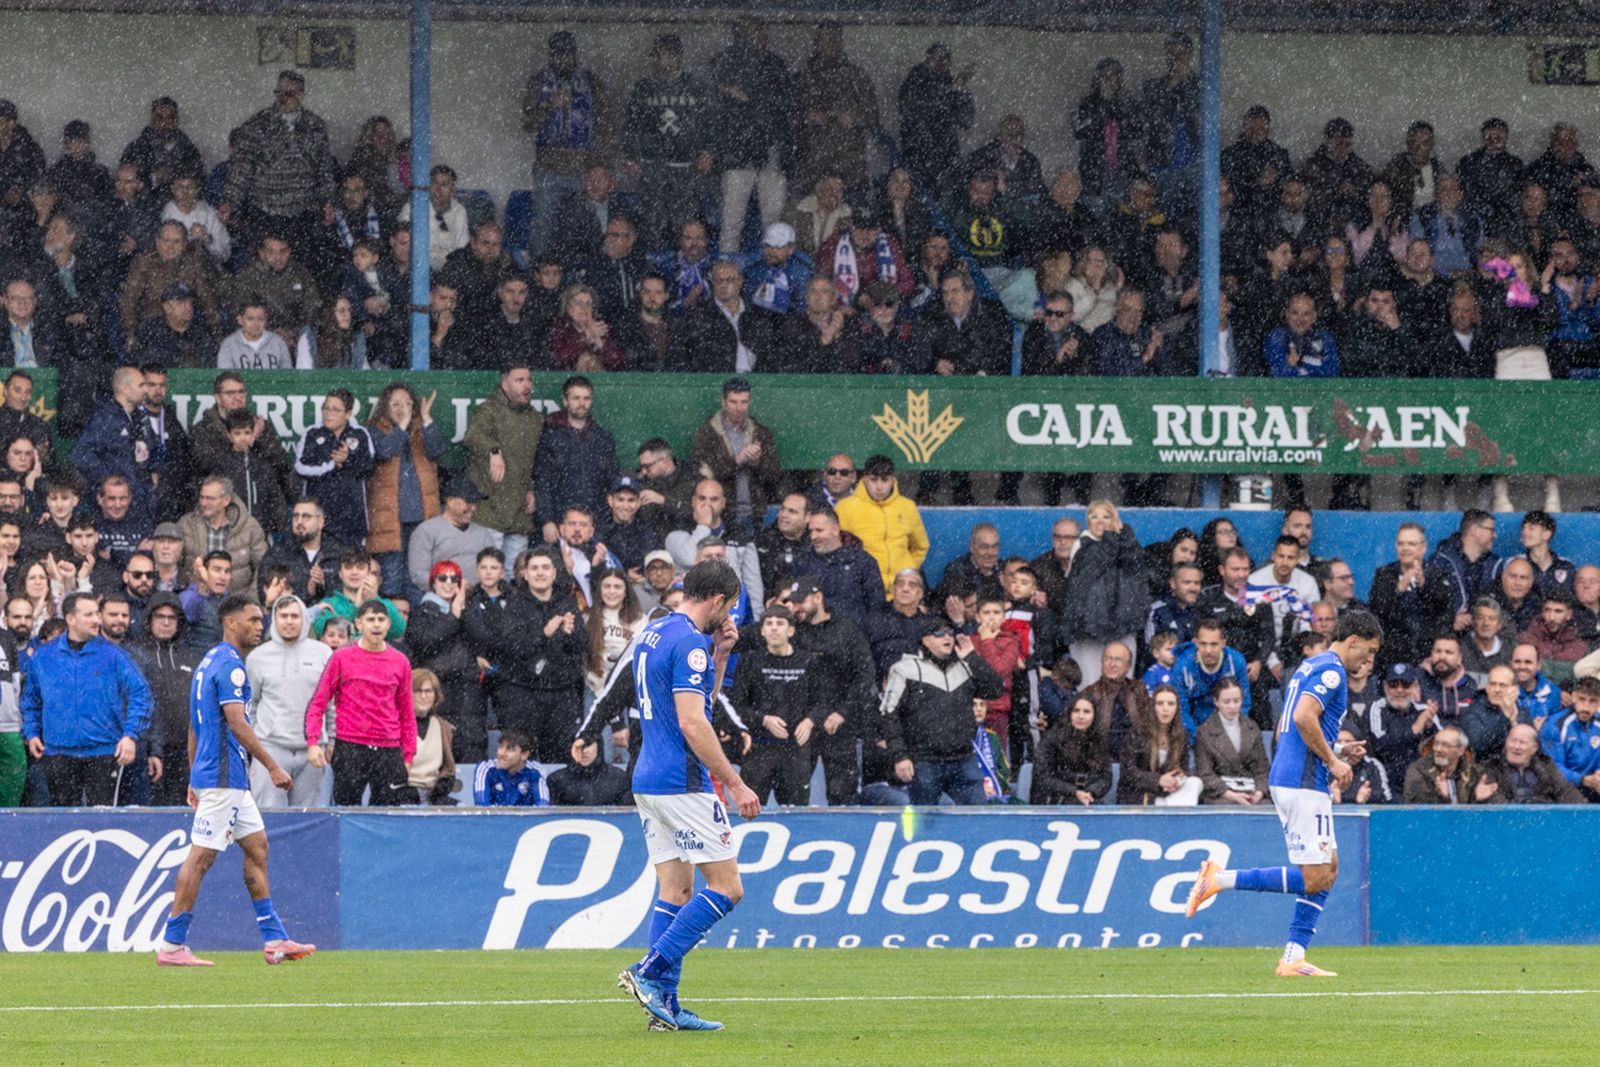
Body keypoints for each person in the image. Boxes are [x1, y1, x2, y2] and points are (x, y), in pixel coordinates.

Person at [1185, 610, 1384, 978]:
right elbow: (1302, 719)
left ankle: (1293, 956)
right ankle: (1218, 879)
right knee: (1315, 877)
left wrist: (1338, 752)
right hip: (1303, 781)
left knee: (1330, 869)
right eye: (1368, 652)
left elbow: (1283, 729)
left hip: (1299, 776)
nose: (1368, 661)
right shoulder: (1332, 671)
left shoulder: (1311, 666)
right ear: (1353, 640)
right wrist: (1332, 760)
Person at [617, 558, 758, 1033]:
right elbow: (693, 721)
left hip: (648, 779)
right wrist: (735, 782)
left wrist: (720, 657)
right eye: (732, 605)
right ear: (717, 600)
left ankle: (666, 1010)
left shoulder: (655, 633)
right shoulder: (689, 644)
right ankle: (650, 972)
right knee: (727, 888)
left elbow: (693, 700)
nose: (731, 615)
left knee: (675, 890)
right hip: (683, 782)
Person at [153, 594, 315, 967]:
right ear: (231, 622)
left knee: (257, 848)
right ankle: (173, 945)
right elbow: (237, 721)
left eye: (261, 621)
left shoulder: (207, 662)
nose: (260, 626)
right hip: (224, 777)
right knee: (201, 858)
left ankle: (274, 939)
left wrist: (194, 775)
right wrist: (273, 765)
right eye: (254, 620)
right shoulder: (232, 668)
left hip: (225, 778)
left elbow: (196, 724)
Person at [20, 591, 153, 806]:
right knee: (63, 828)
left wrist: (130, 735)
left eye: (96, 614)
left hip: (105, 752)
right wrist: (32, 732)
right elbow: (30, 701)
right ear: (70, 619)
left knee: (103, 824)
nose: (96, 620)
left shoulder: (113, 655)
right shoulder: (44, 657)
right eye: (89, 615)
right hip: (57, 753)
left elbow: (143, 694)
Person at [878, 615, 1003, 805]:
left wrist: (972, 657)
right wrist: (900, 756)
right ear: (925, 640)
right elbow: (889, 715)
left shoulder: (965, 667)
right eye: (939, 633)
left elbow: (995, 689)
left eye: (950, 633)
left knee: (977, 819)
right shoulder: (904, 669)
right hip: (924, 761)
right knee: (924, 825)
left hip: (963, 759)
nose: (947, 637)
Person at [304, 599, 415, 806]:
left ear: (388, 624)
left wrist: (408, 755)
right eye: (370, 619)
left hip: (388, 749)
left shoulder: (401, 661)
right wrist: (313, 742)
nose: (376, 624)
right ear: (358, 623)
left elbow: (407, 712)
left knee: (385, 815)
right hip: (350, 746)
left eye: (381, 619)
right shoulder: (341, 657)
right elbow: (318, 702)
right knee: (346, 811)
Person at [245, 593, 332, 808]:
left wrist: (332, 739)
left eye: (295, 616)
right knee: (268, 819)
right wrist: (255, 744)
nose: (289, 621)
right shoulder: (257, 657)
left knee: (308, 819)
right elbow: (251, 704)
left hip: (313, 749)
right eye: (283, 616)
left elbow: (331, 703)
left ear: (304, 619)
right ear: (274, 619)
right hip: (271, 748)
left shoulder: (323, 653)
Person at [729, 605, 821, 806]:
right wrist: (763, 719)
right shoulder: (750, 661)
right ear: (762, 631)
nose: (774, 628)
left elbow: (823, 701)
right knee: (749, 810)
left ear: (791, 630)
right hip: (759, 749)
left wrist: (810, 720)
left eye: (780, 623)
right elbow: (737, 707)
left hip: (796, 751)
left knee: (797, 814)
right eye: (768, 623)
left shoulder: (808, 660)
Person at [366, 383, 444, 598]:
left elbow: (438, 449)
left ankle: (416, 629)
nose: (403, 409)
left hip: (421, 518)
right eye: (396, 404)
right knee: (391, 580)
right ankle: (392, 630)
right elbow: (385, 450)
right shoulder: (374, 429)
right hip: (388, 520)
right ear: (385, 406)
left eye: (408, 404)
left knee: (418, 580)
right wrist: (403, 425)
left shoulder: (421, 428)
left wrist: (426, 418)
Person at [1060, 501, 1148, 685]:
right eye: (1094, 516)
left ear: (1115, 520)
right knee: (1090, 683)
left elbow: (1136, 566)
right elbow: (1093, 567)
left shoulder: (1125, 544)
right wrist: (1111, 538)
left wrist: (1124, 535)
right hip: (1088, 630)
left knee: (1122, 684)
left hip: (1122, 626)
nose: (1100, 521)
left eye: (1106, 517)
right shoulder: (1081, 546)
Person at [464, 365, 542, 564]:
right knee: (488, 572)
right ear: (504, 382)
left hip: (519, 513)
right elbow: (472, 436)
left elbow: (534, 461)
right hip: (490, 510)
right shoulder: (488, 410)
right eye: (519, 380)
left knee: (515, 575)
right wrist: (494, 450)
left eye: (529, 380)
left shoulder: (534, 418)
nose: (527, 385)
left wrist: (532, 489)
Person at [690, 378, 781, 539]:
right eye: (733, 402)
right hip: (721, 515)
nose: (739, 408)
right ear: (723, 402)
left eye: (744, 402)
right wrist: (737, 460)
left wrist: (757, 462)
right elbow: (706, 477)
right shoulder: (707, 434)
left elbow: (774, 475)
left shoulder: (761, 433)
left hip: (756, 513)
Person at [833, 454, 927, 596]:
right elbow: (837, 550)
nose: (879, 486)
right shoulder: (845, 508)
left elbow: (920, 546)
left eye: (885, 480)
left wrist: (907, 570)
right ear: (864, 479)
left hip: (900, 593)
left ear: (892, 480)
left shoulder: (907, 507)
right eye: (874, 480)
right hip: (864, 591)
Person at [1117, 684, 1199, 805]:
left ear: (1177, 708)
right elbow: (1128, 772)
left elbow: (1184, 769)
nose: (1165, 708)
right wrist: (1158, 780)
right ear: (1153, 707)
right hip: (1138, 795)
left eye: (1171, 704)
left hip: (1168, 793)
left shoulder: (1182, 735)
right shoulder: (1137, 733)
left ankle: (1169, 805)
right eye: (1160, 703)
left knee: (1195, 782)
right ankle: (1170, 809)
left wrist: (1177, 780)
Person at [1194, 677, 1271, 805]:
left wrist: (1258, 793)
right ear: (1216, 702)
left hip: (1251, 791)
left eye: (1236, 701)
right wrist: (1232, 795)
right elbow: (1205, 774)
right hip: (1220, 795)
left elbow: (1262, 769)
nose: (1232, 706)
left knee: (1266, 806)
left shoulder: (1252, 727)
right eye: (1226, 701)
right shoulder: (1204, 732)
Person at [1029, 694, 1111, 806]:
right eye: (1076, 711)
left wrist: (1091, 792)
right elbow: (1042, 777)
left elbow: (1106, 778)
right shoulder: (1052, 738)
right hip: (1054, 802)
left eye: (1086, 712)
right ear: (1069, 714)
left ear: (1094, 716)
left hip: (1089, 800)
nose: (1080, 716)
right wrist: (1074, 792)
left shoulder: (1099, 740)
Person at [1478, 722, 1585, 804]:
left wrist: (1587, 813)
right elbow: (1495, 801)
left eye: (1522, 742)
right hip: (1508, 824)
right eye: (1513, 741)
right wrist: (1524, 817)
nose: (1516, 747)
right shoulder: (1493, 766)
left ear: (1535, 748)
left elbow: (1565, 791)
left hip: (1543, 821)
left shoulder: (1546, 766)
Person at [1541, 675, 1600, 801]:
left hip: (1594, 787)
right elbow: (1553, 769)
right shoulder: (1555, 725)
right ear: (1573, 697)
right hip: (1562, 789)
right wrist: (1582, 780)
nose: (1586, 707)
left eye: (1592, 701)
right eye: (1582, 699)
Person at [547, 733, 632, 805]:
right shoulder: (556, 780)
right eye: (579, 746)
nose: (584, 751)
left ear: (598, 747)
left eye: (588, 745)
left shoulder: (619, 778)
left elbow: (628, 817)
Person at [473, 731, 550, 807]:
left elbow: (543, 806)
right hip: (494, 819)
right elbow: (482, 806)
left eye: (510, 749)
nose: (501, 753)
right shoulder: (486, 768)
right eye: (500, 747)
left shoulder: (535, 771)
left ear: (524, 755)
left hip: (525, 819)